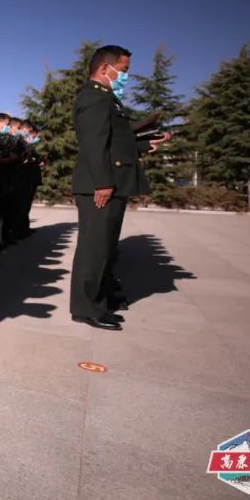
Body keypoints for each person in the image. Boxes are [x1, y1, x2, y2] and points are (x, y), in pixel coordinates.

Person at [70, 45, 167, 330]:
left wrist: (145, 145)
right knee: (94, 249)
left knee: (106, 248)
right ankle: (86, 307)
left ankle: (100, 298)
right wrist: (103, 182)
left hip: (111, 182)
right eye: (123, 70)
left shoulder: (107, 99)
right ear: (104, 68)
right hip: (100, 185)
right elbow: (94, 143)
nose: (125, 76)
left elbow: (116, 142)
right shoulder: (94, 98)